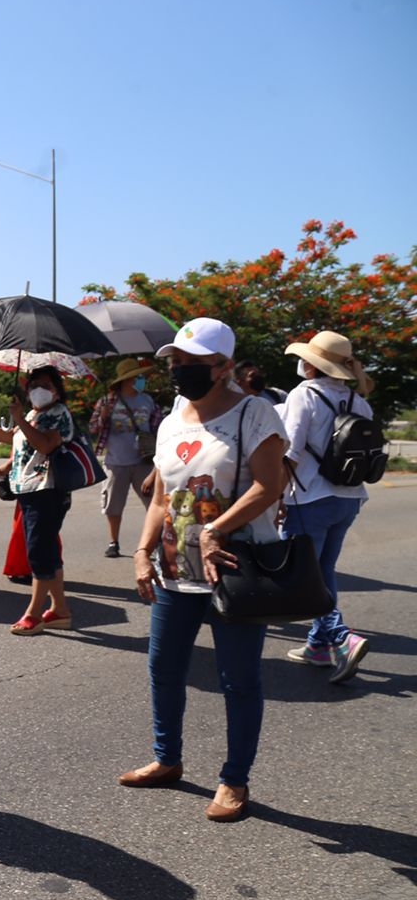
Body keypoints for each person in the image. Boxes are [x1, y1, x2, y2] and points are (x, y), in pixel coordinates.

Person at [121, 317, 287, 823]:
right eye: (176, 361)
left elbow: (269, 485)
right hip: (177, 569)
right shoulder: (173, 420)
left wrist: (216, 530)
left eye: (194, 363)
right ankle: (167, 759)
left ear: (224, 367)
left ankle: (235, 780)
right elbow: (163, 496)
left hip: (236, 569)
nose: (181, 370)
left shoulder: (254, 414)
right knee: (164, 669)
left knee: (238, 679)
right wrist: (142, 550)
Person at [279, 330, 376, 683]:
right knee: (324, 571)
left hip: (308, 498)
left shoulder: (303, 395)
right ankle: (318, 646)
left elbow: (288, 452)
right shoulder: (357, 401)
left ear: (312, 365)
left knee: (302, 576)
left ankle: (341, 637)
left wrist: (276, 496)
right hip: (348, 498)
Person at [0, 365, 75, 635]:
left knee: (39, 552)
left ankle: (34, 614)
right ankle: (60, 609)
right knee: (46, 550)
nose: (39, 389)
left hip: (48, 490)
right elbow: (18, 439)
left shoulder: (59, 413)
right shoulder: (32, 414)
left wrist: (21, 420)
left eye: (47, 384)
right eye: (34, 383)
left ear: (57, 389)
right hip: (29, 490)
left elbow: (46, 445)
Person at [89, 358, 162, 559]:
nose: (141, 380)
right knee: (113, 505)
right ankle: (114, 542)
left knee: (153, 502)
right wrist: (103, 417)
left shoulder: (148, 401)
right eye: (138, 377)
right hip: (116, 461)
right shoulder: (107, 401)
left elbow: (159, 428)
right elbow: (93, 428)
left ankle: (155, 543)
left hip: (144, 461)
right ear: (128, 379)